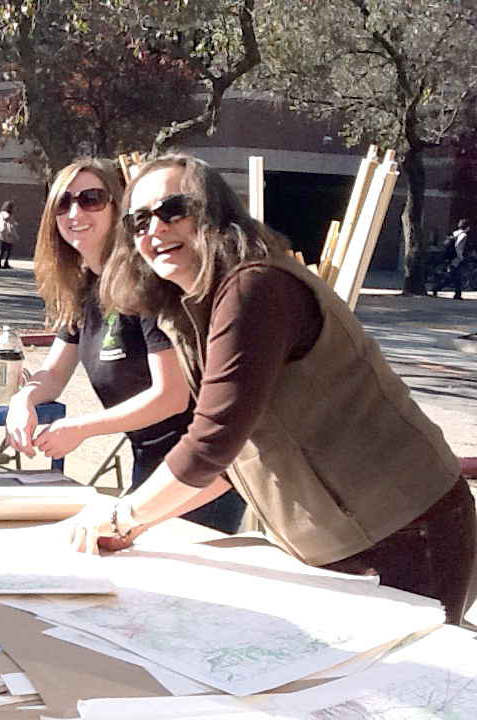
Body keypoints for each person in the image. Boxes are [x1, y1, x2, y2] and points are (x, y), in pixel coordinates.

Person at [70, 151, 475, 625]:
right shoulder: (193, 308)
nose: (153, 230)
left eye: (172, 210)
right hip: (344, 541)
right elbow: (233, 462)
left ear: (214, 214)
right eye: (138, 222)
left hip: (406, 529)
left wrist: (123, 516)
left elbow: (211, 444)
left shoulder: (255, 288)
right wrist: (138, 527)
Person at [5, 159, 245, 533]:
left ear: (118, 209)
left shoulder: (147, 285)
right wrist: (23, 401)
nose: (75, 212)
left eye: (91, 199)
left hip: (198, 475)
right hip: (149, 464)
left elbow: (172, 396)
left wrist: (80, 428)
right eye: (63, 203)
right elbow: (53, 373)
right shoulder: (85, 289)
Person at [431, 218, 471, 300]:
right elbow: (458, 247)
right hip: (456, 259)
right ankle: (437, 288)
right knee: (453, 276)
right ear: (466, 227)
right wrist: (461, 257)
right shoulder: (463, 235)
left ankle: (457, 293)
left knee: (456, 276)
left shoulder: (455, 233)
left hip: (451, 257)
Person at [0, 200, 19, 269]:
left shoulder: (1, 214)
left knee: (2, 249)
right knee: (9, 249)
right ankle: (5, 263)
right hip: (8, 235)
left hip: (2, 234)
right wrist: (15, 235)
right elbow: (10, 226)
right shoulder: (9, 216)